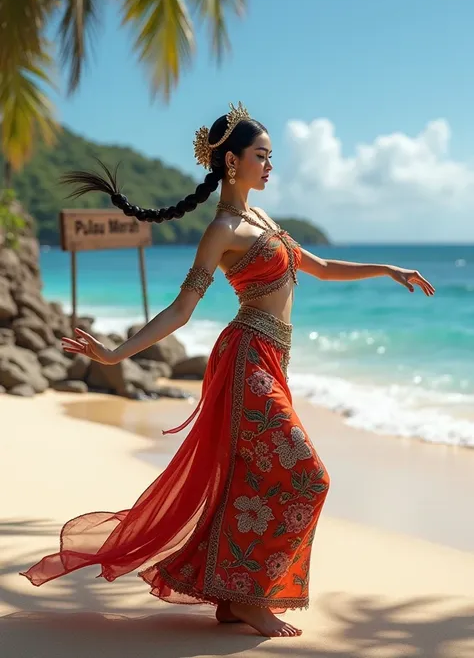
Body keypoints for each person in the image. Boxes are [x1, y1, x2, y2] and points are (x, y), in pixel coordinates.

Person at [20, 102, 435, 638]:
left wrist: (387, 268)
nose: (270, 166)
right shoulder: (223, 229)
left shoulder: (263, 221)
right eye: (262, 155)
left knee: (250, 481)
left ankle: (233, 597)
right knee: (308, 478)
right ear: (232, 162)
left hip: (272, 361)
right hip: (246, 359)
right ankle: (252, 596)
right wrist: (115, 355)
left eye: (271, 156)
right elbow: (180, 309)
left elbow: (324, 267)